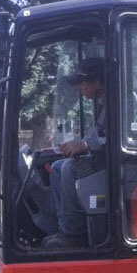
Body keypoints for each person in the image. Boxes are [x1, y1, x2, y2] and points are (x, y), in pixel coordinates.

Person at [43, 57, 106, 249]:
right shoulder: (100, 101)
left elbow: (117, 138)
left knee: (71, 168)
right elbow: (98, 135)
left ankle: (74, 233)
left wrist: (85, 144)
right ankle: (63, 227)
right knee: (57, 167)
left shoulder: (119, 101)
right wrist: (77, 144)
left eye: (82, 82)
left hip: (119, 164)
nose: (79, 87)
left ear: (96, 81)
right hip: (102, 159)